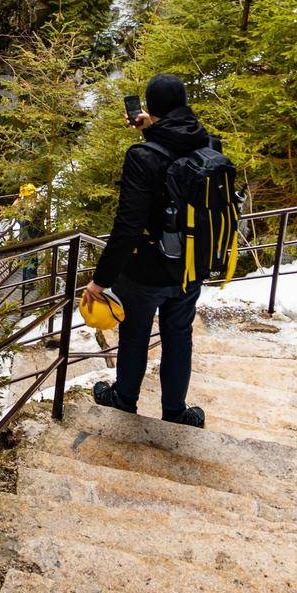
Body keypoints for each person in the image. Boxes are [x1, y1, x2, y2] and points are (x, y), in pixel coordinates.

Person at [80, 74, 209, 427]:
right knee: (179, 335)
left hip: (146, 269)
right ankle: (175, 412)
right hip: (191, 266)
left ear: (151, 108)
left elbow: (128, 224)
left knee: (135, 333)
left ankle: (123, 399)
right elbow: (175, 147)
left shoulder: (142, 156)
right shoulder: (208, 143)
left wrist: (99, 281)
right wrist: (151, 128)